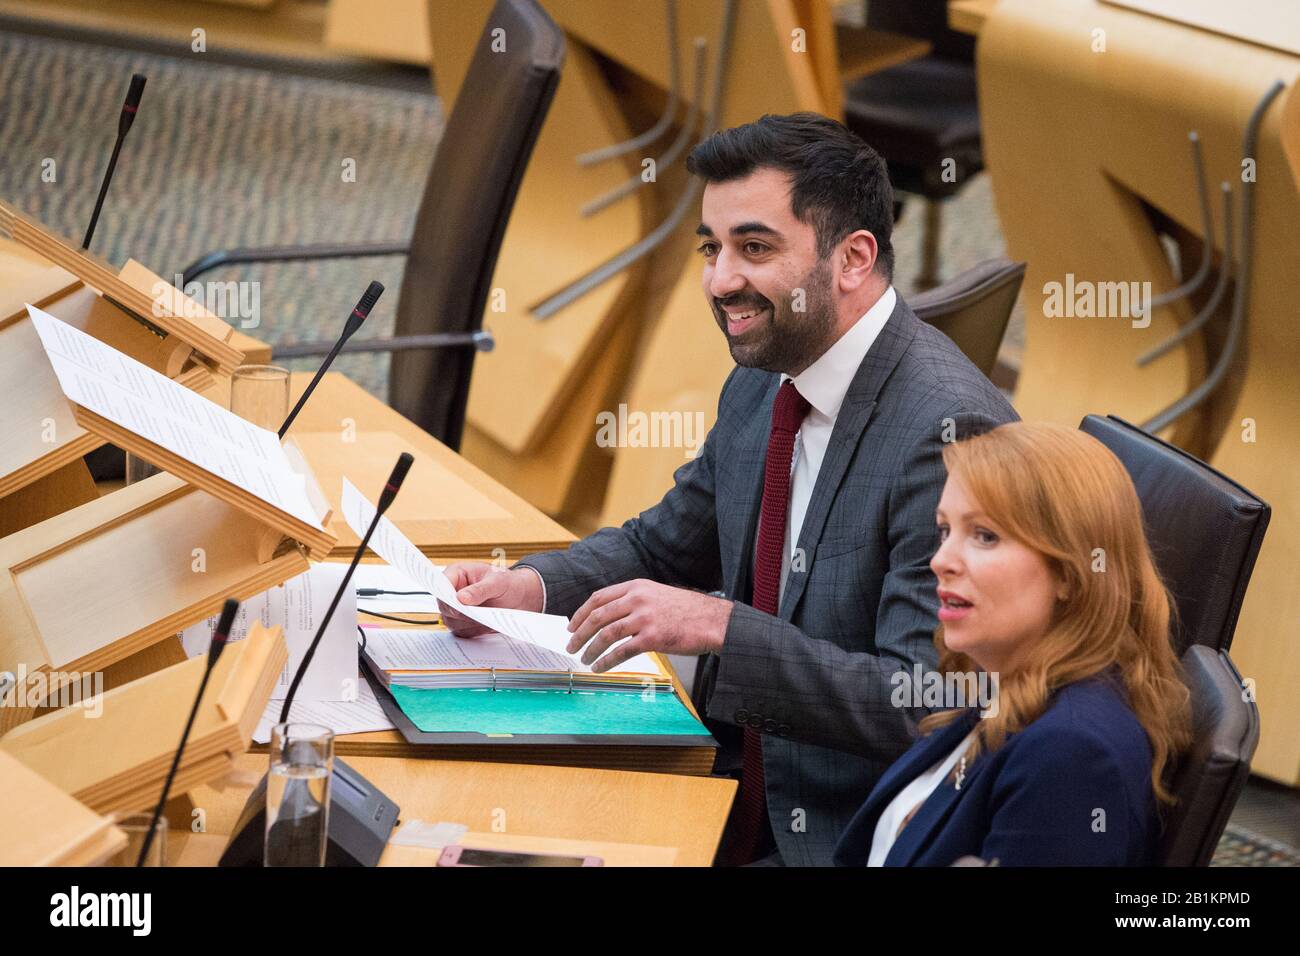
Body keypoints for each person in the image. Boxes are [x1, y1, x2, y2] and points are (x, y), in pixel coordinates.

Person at [443, 112, 1017, 866]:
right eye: (711, 248)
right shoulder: (768, 377)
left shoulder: (945, 429)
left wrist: (722, 629)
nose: (720, 281)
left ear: (853, 259)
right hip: (724, 769)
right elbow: (666, 543)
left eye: (754, 248)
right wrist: (530, 585)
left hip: (839, 832)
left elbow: (925, 703)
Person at [833, 422, 1192, 867]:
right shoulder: (1006, 689)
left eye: (984, 535)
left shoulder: (1072, 754)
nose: (941, 560)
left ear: (1069, 573)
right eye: (945, 530)